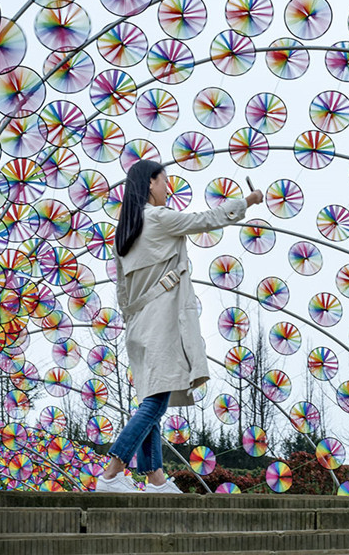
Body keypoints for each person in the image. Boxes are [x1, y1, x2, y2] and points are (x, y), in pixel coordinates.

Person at [95, 160, 263, 492]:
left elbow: (122, 290)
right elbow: (205, 220)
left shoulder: (124, 231)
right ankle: (111, 473)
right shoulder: (156, 218)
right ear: (150, 184)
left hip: (138, 325)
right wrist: (248, 201)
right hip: (160, 320)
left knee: (152, 396)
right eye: (164, 181)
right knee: (156, 401)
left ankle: (155, 477)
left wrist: (132, 321)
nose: (167, 187)